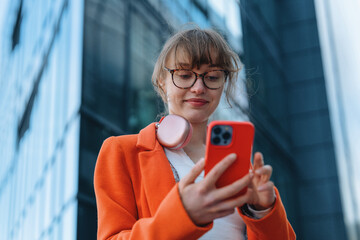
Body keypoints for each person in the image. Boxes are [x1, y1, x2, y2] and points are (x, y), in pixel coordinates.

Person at [94, 27, 296, 240]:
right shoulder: (122, 152)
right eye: (184, 75)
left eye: (212, 76)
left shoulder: (240, 165)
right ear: (162, 81)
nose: (199, 87)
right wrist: (182, 216)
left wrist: (263, 211)